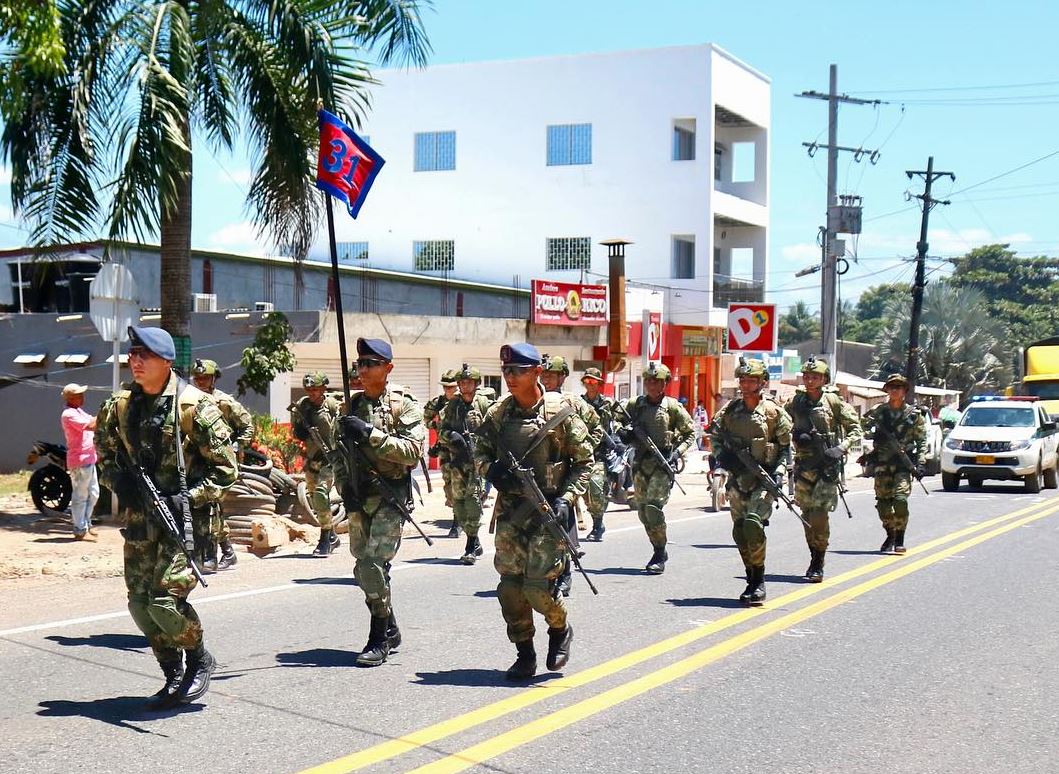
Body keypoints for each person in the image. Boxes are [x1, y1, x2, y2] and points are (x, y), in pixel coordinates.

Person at [95, 326, 236, 709]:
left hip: (186, 523)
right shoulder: (120, 406)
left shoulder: (194, 407)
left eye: (144, 355)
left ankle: (199, 658)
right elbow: (103, 453)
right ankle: (172, 671)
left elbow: (226, 470)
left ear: (167, 361)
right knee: (140, 604)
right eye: (133, 353)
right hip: (142, 520)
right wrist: (117, 481)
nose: (135, 361)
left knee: (164, 602)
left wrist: (186, 497)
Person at [474, 343, 592, 680]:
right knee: (510, 589)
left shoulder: (562, 411)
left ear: (537, 372)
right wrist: (491, 470)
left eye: (518, 371)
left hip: (548, 512)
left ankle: (559, 629)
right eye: (506, 370)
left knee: (537, 587)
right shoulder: (499, 414)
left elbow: (584, 462)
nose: (509, 377)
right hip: (511, 513)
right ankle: (524, 653)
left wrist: (566, 498)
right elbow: (479, 451)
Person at [334, 338, 426, 667]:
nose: (363, 369)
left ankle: (378, 638)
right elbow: (337, 455)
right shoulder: (350, 407)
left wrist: (370, 434)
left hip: (390, 496)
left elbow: (412, 452)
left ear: (388, 368)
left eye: (371, 364)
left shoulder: (404, 405)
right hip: (359, 498)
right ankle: (390, 624)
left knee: (372, 565)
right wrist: (344, 487)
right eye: (360, 363)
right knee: (363, 570)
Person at [709, 359, 792, 606]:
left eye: (751, 381)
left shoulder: (774, 413)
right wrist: (722, 456)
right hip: (738, 480)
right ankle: (750, 576)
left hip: (764, 480)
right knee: (740, 531)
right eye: (743, 380)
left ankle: (759, 581)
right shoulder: (730, 411)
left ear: (762, 382)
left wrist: (779, 474)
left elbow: (785, 449)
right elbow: (715, 435)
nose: (746, 385)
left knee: (754, 525)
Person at [785, 356, 862, 582]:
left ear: (824, 379)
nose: (810, 380)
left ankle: (819, 560)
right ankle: (813, 554)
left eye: (815, 377)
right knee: (807, 516)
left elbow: (856, 429)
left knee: (819, 516)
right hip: (803, 467)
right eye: (807, 376)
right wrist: (794, 436)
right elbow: (780, 423)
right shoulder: (795, 402)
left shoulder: (833, 402)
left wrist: (841, 448)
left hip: (826, 467)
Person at [617, 362, 695, 574]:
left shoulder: (672, 407)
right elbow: (615, 418)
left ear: (665, 383)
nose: (652, 385)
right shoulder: (635, 404)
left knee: (653, 508)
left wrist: (676, 454)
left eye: (657, 381)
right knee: (643, 511)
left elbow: (690, 433)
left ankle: (659, 553)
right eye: (649, 381)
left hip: (662, 464)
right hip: (640, 464)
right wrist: (625, 433)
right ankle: (657, 546)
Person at [190, 359, 255, 571]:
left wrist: (235, 447)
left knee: (211, 505)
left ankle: (211, 556)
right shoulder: (190, 400)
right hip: (197, 461)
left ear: (214, 379)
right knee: (209, 506)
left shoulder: (224, 402)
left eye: (205, 378)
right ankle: (227, 551)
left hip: (220, 464)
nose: (200, 382)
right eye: (197, 378)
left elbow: (247, 426)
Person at [861, 374, 927, 554]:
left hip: (903, 465)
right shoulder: (879, 411)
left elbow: (921, 440)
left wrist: (921, 463)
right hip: (883, 463)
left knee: (900, 500)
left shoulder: (914, 415)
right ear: (887, 390)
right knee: (883, 505)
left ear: (905, 391)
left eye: (899, 387)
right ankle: (890, 533)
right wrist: (873, 433)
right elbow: (861, 428)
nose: (895, 390)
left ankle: (899, 539)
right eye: (892, 387)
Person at [436, 364, 493, 564]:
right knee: (458, 505)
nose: (465, 386)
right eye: (462, 382)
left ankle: (469, 546)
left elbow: (496, 430)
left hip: (478, 463)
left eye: (469, 382)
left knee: (473, 503)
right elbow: (440, 432)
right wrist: (452, 436)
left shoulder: (485, 404)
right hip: (458, 462)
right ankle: (475, 541)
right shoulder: (453, 405)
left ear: (476, 384)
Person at [290, 372, 343, 557]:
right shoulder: (303, 406)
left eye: (315, 389)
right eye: (309, 390)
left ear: (323, 388)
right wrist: (301, 430)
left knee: (320, 494)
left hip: (332, 457)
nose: (312, 393)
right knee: (314, 497)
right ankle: (333, 536)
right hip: (313, 458)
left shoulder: (332, 406)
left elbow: (344, 427)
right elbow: (296, 431)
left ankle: (325, 537)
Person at [580, 367, 617, 541]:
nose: (590, 384)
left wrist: (618, 440)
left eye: (593, 381)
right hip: (581, 452)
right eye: (587, 381)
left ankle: (597, 524)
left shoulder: (608, 404)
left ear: (599, 384)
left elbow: (619, 423)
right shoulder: (579, 403)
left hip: (601, 454)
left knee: (595, 489)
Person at [60, 383, 99, 539]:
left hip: (89, 457)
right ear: (71, 398)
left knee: (93, 494)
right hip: (80, 459)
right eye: (79, 395)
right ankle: (80, 529)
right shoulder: (68, 414)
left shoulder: (78, 411)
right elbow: (91, 425)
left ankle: (86, 524)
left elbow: (92, 420)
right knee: (80, 495)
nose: (82, 397)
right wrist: (106, 412)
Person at [424, 370, 460, 537]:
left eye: (451, 387)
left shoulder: (464, 401)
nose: (448, 390)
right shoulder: (437, 403)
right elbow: (426, 420)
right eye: (445, 387)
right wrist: (436, 424)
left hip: (462, 449)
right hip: (445, 449)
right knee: (449, 484)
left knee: (463, 483)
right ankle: (457, 513)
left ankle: (458, 521)